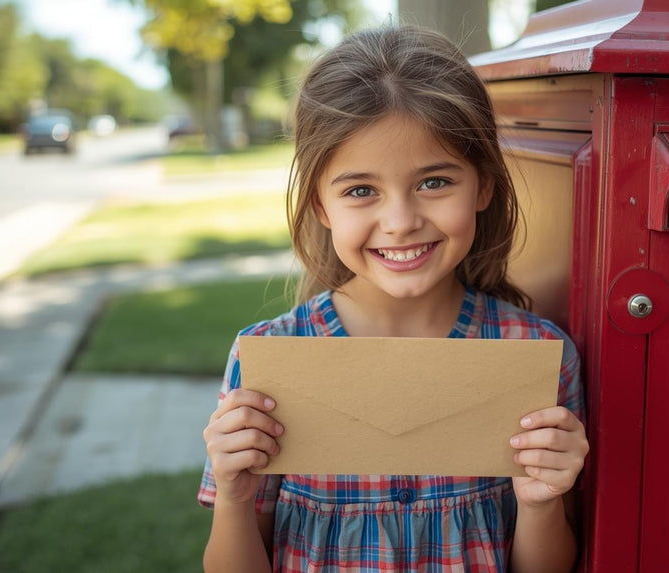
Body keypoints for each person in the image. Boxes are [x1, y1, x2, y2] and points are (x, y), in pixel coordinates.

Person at [198, 25, 590, 573]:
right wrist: (234, 499)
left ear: (483, 184)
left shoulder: (538, 355)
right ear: (320, 205)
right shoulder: (265, 360)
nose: (401, 222)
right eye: (361, 191)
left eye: (434, 182)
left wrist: (541, 501)